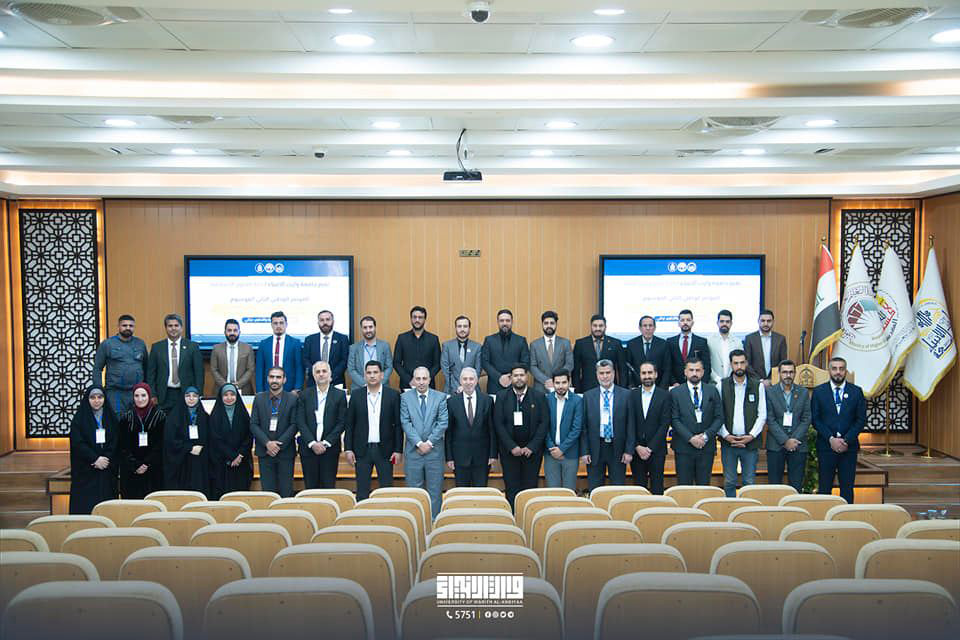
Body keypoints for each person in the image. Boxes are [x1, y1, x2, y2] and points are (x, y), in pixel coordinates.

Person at [344, 360, 403, 500]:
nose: (372, 375)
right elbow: (350, 424)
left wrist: (398, 450)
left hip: (385, 450)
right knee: (362, 491)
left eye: (375, 372)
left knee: (386, 492)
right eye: (369, 373)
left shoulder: (393, 395)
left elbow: (398, 425)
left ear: (382, 375)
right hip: (361, 450)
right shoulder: (356, 395)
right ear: (364, 375)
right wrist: (348, 449)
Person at [811, 356, 866, 503]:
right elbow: (815, 419)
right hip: (826, 447)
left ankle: (846, 516)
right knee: (824, 488)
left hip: (849, 448)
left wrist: (846, 440)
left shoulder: (856, 392)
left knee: (847, 488)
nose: (838, 372)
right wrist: (831, 439)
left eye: (841, 369)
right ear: (829, 371)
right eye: (834, 368)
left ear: (845, 371)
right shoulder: (819, 392)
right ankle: (824, 516)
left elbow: (861, 420)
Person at [494, 363, 548, 508]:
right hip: (509, 452)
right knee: (511, 488)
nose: (519, 378)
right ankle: (512, 516)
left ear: (527, 376)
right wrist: (512, 447)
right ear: (511, 378)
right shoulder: (502, 396)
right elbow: (498, 424)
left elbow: (544, 423)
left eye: (522, 375)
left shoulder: (538, 396)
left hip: (532, 453)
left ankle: (528, 516)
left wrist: (532, 447)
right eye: (515, 375)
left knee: (530, 489)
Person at [401, 366, 448, 519]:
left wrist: (428, 443)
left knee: (435, 491)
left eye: (424, 378)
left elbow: (442, 423)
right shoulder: (405, 398)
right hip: (413, 453)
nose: (421, 382)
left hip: (434, 452)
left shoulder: (440, 397)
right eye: (418, 379)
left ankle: (434, 522)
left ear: (429, 380)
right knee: (414, 492)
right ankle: (416, 523)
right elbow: (405, 422)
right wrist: (419, 443)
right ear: (413, 381)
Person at [718, 350, 766, 497]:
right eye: (736, 363)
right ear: (731, 365)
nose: (739, 366)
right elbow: (717, 414)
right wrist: (726, 435)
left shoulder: (757, 385)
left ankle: (748, 509)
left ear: (746, 363)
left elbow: (762, 415)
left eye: (742, 363)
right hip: (728, 442)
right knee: (729, 481)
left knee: (749, 481)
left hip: (750, 443)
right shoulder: (722, 385)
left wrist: (751, 436)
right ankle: (730, 509)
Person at [580, 359, 632, 489]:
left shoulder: (626, 395)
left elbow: (631, 425)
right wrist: (585, 451)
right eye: (601, 373)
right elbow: (584, 427)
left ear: (614, 373)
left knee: (618, 488)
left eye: (608, 372)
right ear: (597, 375)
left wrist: (629, 450)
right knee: (595, 488)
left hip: (618, 448)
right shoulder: (588, 396)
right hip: (595, 448)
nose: (605, 376)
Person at [670, 358, 723, 486]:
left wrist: (705, 436)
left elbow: (719, 417)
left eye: (698, 370)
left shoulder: (712, 390)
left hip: (706, 447)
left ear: (703, 372)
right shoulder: (675, 393)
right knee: (683, 487)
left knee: (704, 486)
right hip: (683, 447)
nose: (694, 373)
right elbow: (674, 419)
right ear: (685, 372)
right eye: (691, 370)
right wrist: (691, 438)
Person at [249, 367, 299, 497]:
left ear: (284, 380)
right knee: (268, 493)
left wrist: (278, 445)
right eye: (272, 377)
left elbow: (294, 424)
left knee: (286, 492)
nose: (275, 380)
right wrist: (267, 443)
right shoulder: (259, 398)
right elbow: (253, 424)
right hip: (265, 452)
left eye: (278, 377)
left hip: (285, 452)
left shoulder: (293, 399)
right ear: (267, 379)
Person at [69, 386, 119, 514]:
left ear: (104, 399)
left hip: (106, 469)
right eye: (93, 397)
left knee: (107, 509)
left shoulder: (111, 417)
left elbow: (115, 441)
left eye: (100, 397)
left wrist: (105, 459)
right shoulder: (79, 419)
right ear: (87, 399)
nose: (97, 400)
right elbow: (78, 443)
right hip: (87, 470)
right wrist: (95, 459)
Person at [298, 361, 347, 490]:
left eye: (324, 371)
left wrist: (326, 443)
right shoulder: (304, 395)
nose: (321, 374)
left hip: (330, 449)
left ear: (330, 374)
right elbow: (300, 421)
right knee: (310, 488)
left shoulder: (339, 395)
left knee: (328, 487)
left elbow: (342, 422)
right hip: (308, 449)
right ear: (313, 375)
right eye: (318, 372)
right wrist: (312, 443)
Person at [445, 367, 497, 487]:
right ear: (460, 381)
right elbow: (449, 432)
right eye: (465, 379)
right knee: (462, 493)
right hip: (459, 457)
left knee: (481, 492)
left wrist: (493, 454)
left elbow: (492, 430)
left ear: (476, 380)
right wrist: (449, 457)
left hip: (483, 457)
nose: (468, 382)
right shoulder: (451, 402)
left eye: (471, 379)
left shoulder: (487, 400)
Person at [765, 360, 812, 491]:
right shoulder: (770, 392)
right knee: (775, 487)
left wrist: (793, 439)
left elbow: (806, 418)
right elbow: (770, 419)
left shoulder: (803, 392)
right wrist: (785, 440)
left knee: (796, 486)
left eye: (791, 372)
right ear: (779, 373)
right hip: (776, 445)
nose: (788, 375)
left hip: (798, 444)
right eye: (785, 372)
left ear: (795, 373)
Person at [628, 361, 671, 494]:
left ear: (656, 374)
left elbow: (664, 424)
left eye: (650, 373)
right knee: (639, 489)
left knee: (657, 487)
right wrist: (637, 446)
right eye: (644, 373)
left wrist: (650, 448)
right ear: (640, 375)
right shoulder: (632, 395)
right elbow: (629, 423)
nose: (647, 376)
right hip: (637, 451)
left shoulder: (665, 395)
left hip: (657, 450)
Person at [147, 313, 204, 414]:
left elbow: (199, 373)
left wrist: (198, 393)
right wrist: (152, 394)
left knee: (184, 421)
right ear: (166, 328)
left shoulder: (192, 347)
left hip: (186, 393)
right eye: (170, 326)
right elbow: (151, 374)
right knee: (164, 422)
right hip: (164, 394)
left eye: (176, 325)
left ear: (181, 328)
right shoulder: (157, 347)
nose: (173, 328)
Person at [92, 314, 147, 415]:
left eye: (131, 326)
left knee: (136, 419)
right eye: (124, 325)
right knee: (117, 420)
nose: (128, 328)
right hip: (115, 392)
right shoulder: (107, 344)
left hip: (136, 392)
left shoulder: (140, 344)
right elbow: (97, 368)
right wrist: (99, 389)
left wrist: (147, 389)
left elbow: (146, 367)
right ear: (118, 326)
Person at [118, 382, 165, 498]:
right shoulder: (126, 417)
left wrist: (147, 463)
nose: (140, 399)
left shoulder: (160, 416)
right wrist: (135, 464)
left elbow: (161, 444)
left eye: (143, 395)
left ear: (149, 396)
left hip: (153, 471)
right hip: (131, 472)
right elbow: (122, 445)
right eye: (136, 396)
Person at [207, 383, 253, 499]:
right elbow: (215, 439)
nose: (229, 397)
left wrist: (240, 455)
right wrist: (232, 456)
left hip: (241, 463)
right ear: (221, 397)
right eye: (225, 395)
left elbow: (249, 436)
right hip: (221, 464)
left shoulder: (244, 415)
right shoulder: (215, 416)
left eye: (232, 394)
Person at [163, 386, 209, 495]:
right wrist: (189, 448)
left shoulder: (205, 416)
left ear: (198, 398)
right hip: (181, 463)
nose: (191, 398)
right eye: (188, 396)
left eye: (194, 396)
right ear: (183, 397)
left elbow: (210, 438)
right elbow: (170, 440)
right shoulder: (174, 416)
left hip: (199, 463)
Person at [544, 369, 582, 491]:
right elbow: (543, 427)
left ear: (569, 382)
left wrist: (561, 449)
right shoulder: (546, 399)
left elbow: (576, 429)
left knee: (569, 492)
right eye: (557, 383)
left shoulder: (578, 400)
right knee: (552, 492)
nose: (560, 386)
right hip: (550, 453)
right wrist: (552, 447)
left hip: (570, 454)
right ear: (553, 383)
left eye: (564, 382)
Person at [482, 309, 530, 396]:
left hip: (516, 386)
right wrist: (499, 377)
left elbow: (525, 363)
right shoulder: (489, 340)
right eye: (502, 320)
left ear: (512, 322)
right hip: (494, 386)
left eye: (507, 320)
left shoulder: (521, 340)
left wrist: (511, 376)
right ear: (497, 322)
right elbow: (485, 362)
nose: (505, 323)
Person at [572, 314, 625, 392]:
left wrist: (622, 390)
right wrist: (577, 391)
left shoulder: (615, 343)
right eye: (595, 326)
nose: (598, 328)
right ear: (591, 326)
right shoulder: (580, 344)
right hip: (587, 389)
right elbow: (576, 371)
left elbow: (622, 369)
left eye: (601, 326)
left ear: (605, 327)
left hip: (610, 388)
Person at [393, 306, 442, 390]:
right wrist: (409, 380)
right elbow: (396, 363)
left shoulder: (433, 339)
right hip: (407, 384)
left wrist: (425, 379)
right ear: (411, 319)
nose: (417, 320)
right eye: (414, 317)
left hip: (428, 385)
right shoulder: (402, 338)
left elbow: (437, 364)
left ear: (425, 319)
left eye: (420, 317)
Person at [256, 311, 303, 393]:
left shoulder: (295, 343)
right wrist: (259, 390)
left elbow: (299, 367)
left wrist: (297, 388)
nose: (278, 326)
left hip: (289, 389)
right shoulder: (264, 344)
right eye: (275, 323)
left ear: (286, 324)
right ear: (271, 325)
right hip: (268, 389)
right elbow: (259, 369)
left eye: (281, 323)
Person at [302, 310, 349, 388]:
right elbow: (305, 360)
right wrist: (316, 375)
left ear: (333, 321)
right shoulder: (309, 339)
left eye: (328, 319)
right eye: (322, 320)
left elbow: (344, 360)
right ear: (318, 322)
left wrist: (331, 377)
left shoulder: (342, 339)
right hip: (314, 382)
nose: (325, 323)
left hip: (335, 381)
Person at [529, 311, 574, 394]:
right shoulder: (534, 344)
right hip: (541, 387)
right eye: (546, 323)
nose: (549, 326)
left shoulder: (565, 343)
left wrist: (557, 380)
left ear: (556, 324)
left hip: (561, 386)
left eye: (552, 323)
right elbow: (532, 367)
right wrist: (546, 380)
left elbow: (569, 364)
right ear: (542, 324)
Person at [625, 315, 674, 389]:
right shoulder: (631, 344)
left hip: (658, 387)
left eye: (650, 325)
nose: (648, 328)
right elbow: (628, 368)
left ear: (654, 328)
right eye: (645, 325)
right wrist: (632, 387)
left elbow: (667, 369)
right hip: (637, 388)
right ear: (640, 328)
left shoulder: (663, 344)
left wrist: (662, 388)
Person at [666, 309, 711, 386]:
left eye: (688, 320)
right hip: (676, 385)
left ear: (692, 322)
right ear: (678, 323)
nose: (685, 322)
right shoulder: (670, 342)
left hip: (696, 384)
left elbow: (706, 366)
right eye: (682, 320)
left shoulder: (701, 342)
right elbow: (667, 365)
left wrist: (701, 384)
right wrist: (673, 382)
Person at [440, 315, 483, 395]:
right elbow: (445, 370)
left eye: (465, 326)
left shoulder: (477, 347)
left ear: (469, 328)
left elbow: (478, 370)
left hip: (472, 390)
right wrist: (457, 387)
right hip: (451, 390)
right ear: (455, 328)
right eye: (459, 326)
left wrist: (465, 386)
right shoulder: (446, 346)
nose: (462, 329)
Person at [744, 309, 788, 386]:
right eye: (763, 321)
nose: (766, 323)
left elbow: (782, 363)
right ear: (758, 321)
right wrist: (760, 381)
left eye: (769, 321)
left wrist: (771, 380)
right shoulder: (749, 339)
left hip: (775, 382)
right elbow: (747, 363)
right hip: (755, 382)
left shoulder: (780, 339)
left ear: (773, 322)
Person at [211, 318, 255, 395]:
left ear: (239, 332)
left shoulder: (248, 348)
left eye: (235, 330)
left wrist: (238, 384)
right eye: (229, 330)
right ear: (225, 332)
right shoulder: (216, 348)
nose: (232, 333)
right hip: (221, 389)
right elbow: (214, 369)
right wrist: (226, 385)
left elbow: (250, 369)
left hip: (243, 389)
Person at [347, 315, 393, 389]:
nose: (368, 330)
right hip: (359, 387)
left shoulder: (385, 346)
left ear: (375, 327)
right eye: (365, 327)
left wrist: (379, 382)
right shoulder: (354, 348)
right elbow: (351, 369)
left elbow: (389, 367)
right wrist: (365, 384)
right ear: (361, 329)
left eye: (370, 327)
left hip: (382, 386)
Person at [708, 309, 743, 384]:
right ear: (717, 323)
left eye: (727, 322)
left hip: (733, 382)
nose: (724, 324)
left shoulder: (738, 342)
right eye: (722, 321)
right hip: (713, 382)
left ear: (731, 323)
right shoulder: (709, 341)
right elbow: (706, 363)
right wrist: (716, 378)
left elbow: (740, 363)